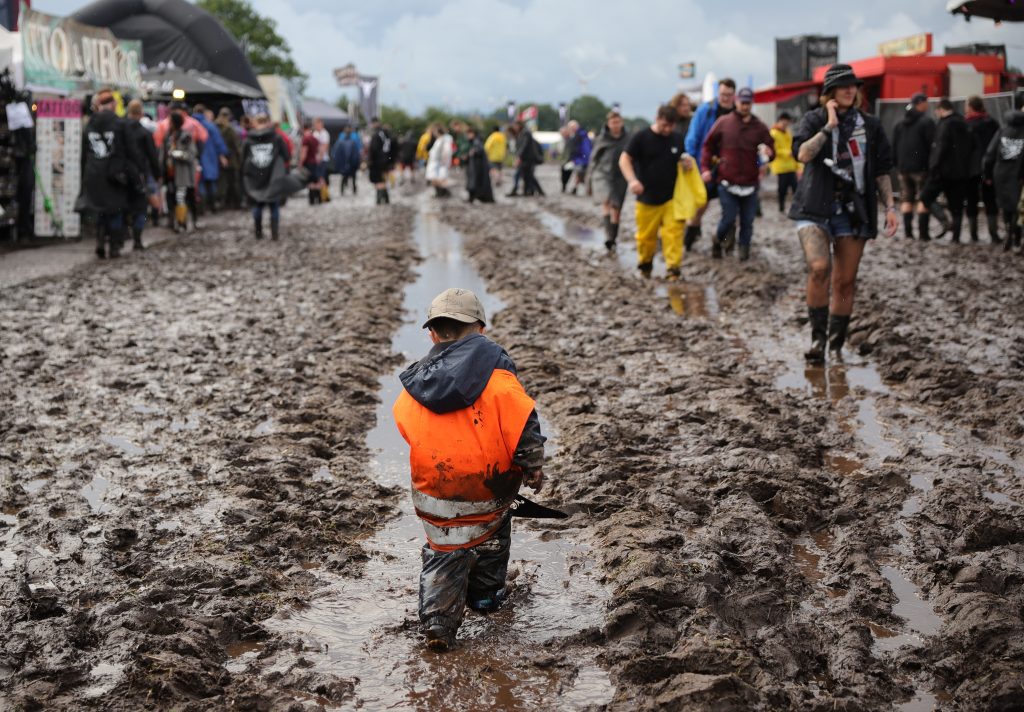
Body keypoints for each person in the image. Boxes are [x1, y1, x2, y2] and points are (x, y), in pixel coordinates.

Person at [392, 288, 546, 652]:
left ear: (432, 334)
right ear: (480, 327)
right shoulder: (499, 378)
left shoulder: (416, 384)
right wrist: (531, 466)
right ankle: (485, 599)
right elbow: (523, 422)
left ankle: (438, 623)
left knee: (443, 550)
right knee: (492, 538)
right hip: (489, 487)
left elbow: (404, 424)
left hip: (434, 489)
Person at [789, 63, 898, 362]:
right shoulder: (813, 119)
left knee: (845, 281)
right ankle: (817, 342)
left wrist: (890, 206)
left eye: (854, 85)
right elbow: (802, 155)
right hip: (813, 207)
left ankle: (836, 346)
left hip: (853, 210)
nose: (851, 90)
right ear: (830, 92)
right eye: (844, 86)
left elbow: (882, 170)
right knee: (820, 268)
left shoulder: (871, 125)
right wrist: (829, 127)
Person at [701, 87, 775, 261]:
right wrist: (705, 168)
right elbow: (707, 146)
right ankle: (718, 240)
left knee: (747, 221)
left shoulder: (760, 127)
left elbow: (771, 152)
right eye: (742, 102)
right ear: (736, 102)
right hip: (727, 181)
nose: (745, 106)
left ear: (752, 103)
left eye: (748, 103)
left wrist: (767, 155)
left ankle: (744, 252)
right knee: (728, 218)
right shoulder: (724, 122)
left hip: (750, 183)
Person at [618, 104, 687, 278]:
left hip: (672, 197)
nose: (667, 129)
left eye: (671, 126)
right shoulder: (641, 137)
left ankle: (673, 269)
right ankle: (645, 264)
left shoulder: (677, 138)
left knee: (674, 234)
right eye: (664, 125)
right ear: (657, 119)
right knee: (646, 237)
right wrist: (632, 180)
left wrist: (687, 163)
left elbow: (683, 157)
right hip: (647, 197)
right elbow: (624, 159)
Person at [77, 88, 138, 259]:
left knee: (100, 210)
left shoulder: (89, 123)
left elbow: (84, 152)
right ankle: (114, 246)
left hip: (94, 173)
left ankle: (100, 241)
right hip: (115, 174)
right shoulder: (120, 123)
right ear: (112, 104)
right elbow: (131, 151)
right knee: (115, 210)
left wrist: (84, 173)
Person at [684, 78, 736, 250]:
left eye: (729, 95)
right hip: (705, 165)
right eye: (722, 94)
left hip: (730, 168)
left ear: (733, 95)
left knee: (730, 207)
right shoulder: (706, 110)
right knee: (700, 205)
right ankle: (689, 238)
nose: (725, 98)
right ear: (718, 93)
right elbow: (693, 136)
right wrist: (692, 161)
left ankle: (727, 242)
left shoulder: (738, 113)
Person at [921, 98, 971, 243]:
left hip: (942, 172)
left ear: (941, 109)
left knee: (926, 196)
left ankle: (944, 221)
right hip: (960, 172)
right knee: (957, 206)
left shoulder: (945, 124)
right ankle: (956, 237)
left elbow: (940, 148)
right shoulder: (963, 122)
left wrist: (933, 167)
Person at [983, 94, 1024, 251]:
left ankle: (1008, 235)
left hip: (1000, 173)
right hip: (1018, 175)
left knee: (1006, 206)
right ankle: (1016, 238)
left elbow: (989, 154)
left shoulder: (1003, 131)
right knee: (1017, 208)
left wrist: (987, 175)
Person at [892, 93, 936, 240]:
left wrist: (897, 163)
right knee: (923, 199)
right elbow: (932, 145)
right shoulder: (926, 122)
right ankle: (923, 234)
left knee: (906, 199)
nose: (928, 105)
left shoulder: (899, 124)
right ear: (920, 103)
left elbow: (894, 146)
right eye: (926, 102)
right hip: (921, 168)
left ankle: (908, 233)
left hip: (903, 168)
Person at [242, 113, 291, 240]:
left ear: (255, 123)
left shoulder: (248, 139)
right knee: (273, 205)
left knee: (257, 205)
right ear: (268, 122)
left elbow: (243, 159)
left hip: (255, 178)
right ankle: (274, 233)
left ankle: (258, 232)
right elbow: (286, 156)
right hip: (272, 177)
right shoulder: (276, 137)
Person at [587, 110, 630, 250]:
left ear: (622, 122)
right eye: (613, 122)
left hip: (620, 176)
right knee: (606, 201)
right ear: (608, 124)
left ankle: (613, 236)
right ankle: (608, 236)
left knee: (616, 207)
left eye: (618, 122)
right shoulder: (602, 139)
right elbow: (593, 159)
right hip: (603, 174)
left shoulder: (628, 138)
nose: (616, 125)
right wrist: (589, 179)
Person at [124, 99, 161, 251]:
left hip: (122, 175)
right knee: (141, 208)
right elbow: (152, 156)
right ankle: (137, 238)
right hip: (141, 175)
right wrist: (157, 174)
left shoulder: (121, 130)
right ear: (140, 114)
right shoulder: (145, 133)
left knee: (125, 206)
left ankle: (124, 233)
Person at [964, 96, 1001, 243]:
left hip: (971, 169)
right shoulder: (992, 123)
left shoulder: (967, 124)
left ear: (971, 107)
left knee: (971, 201)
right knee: (990, 200)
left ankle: (973, 235)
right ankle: (994, 234)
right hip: (990, 168)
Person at [161, 111, 199, 233]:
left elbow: (191, 154)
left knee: (182, 198)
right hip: (169, 173)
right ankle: (174, 222)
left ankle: (184, 222)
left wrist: (178, 154)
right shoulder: (167, 136)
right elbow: (162, 154)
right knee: (171, 198)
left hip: (182, 174)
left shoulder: (186, 136)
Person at [191, 104, 228, 214]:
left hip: (196, 157)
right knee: (211, 183)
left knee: (199, 183)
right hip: (210, 157)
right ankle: (212, 206)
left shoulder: (191, 125)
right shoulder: (210, 126)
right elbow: (218, 142)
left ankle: (201, 208)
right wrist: (222, 155)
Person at [770, 112, 799, 213]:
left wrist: (797, 165)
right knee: (782, 188)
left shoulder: (788, 132)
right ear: (780, 121)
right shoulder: (774, 133)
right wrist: (787, 153)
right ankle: (781, 207)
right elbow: (774, 150)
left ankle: (797, 207)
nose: (786, 124)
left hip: (791, 165)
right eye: (785, 121)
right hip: (781, 166)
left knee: (796, 188)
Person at [216, 108, 243, 210]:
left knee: (223, 183)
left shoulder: (215, 127)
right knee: (234, 183)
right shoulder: (230, 129)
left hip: (219, 159)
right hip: (232, 160)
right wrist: (240, 159)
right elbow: (236, 146)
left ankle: (224, 202)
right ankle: (236, 203)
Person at [511, 121, 544, 197]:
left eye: (516, 125)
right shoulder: (522, 133)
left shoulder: (525, 133)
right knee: (527, 175)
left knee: (528, 175)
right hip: (525, 158)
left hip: (528, 158)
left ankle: (534, 190)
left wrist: (519, 156)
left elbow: (524, 146)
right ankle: (529, 191)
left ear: (519, 125)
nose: (515, 127)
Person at [367, 117, 395, 205]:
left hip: (377, 162)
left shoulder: (377, 135)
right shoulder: (386, 133)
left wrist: (369, 161)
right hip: (386, 160)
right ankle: (386, 199)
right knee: (382, 180)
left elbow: (374, 149)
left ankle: (379, 201)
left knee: (378, 180)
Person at [464, 125, 494, 203]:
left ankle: (473, 198)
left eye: (469, 134)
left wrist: (473, 152)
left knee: (475, 183)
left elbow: (479, 150)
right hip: (477, 167)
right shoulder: (475, 141)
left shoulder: (476, 141)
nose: (467, 136)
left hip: (477, 168)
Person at [426, 123, 454, 198]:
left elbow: (447, 152)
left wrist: (443, 162)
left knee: (437, 179)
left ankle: (443, 193)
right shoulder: (439, 139)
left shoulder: (445, 139)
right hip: (435, 162)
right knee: (433, 178)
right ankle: (440, 193)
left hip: (439, 163)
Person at [331, 126, 362, 196]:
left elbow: (335, 153)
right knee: (353, 178)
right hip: (352, 163)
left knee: (344, 177)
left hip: (344, 164)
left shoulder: (340, 140)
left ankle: (342, 190)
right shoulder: (354, 139)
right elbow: (358, 152)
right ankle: (353, 190)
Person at [299, 120, 323, 205]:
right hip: (315, 162)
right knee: (316, 180)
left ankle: (312, 199)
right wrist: (319, 160)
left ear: (304, 129)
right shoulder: (315, 138)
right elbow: (320, 151)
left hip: (308, 163)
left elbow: (304, 153)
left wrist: (300, 163)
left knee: (310, 182)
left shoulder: (305, 139)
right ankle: (319, 198)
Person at [566, 120, 592, 195]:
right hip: (581, 159)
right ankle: (578, 188)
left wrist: (584, 159)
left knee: (581, 174)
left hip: (582, 159)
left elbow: (585, 149)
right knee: (580, 174)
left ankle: (585, 189)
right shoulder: (580, 135)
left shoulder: (580, 136)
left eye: (570, 127)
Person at [313, 117, 331, 201]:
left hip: (323, 159)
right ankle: (322, 195)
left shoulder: (325, 133)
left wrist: (320, 157)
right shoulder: (315, 133)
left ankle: (325, 195)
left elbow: (325, 146)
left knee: (322, 177)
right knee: (319, 177)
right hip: (316, 158)